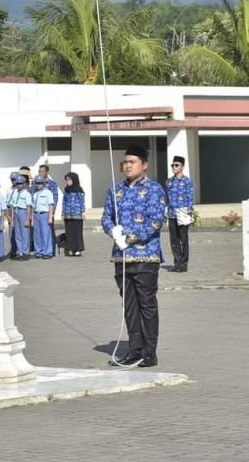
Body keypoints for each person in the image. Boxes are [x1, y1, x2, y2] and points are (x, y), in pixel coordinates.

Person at [101, 144, 166, 368]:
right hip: (121, 257)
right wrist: (113, 231)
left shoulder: (154, 190)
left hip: (145, 256)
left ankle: (150, 351)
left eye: (133, 162)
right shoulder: (115, 190)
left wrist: (130, 237)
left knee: (146, 305)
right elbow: (106, 218)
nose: (128, 165)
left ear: (144, 165)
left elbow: (156, 221)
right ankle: (134, 348)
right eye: (125, 162)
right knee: (129, 306)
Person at [166, 156, 194, 272]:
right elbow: (167, 198)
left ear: (182, 167)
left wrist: (189, 212)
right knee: (174, 240)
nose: (174, 167)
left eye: (176, 165)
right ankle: (177, 263)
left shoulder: (187, 181)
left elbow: (190, 197)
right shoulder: (169, 182)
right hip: (172, 214)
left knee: (184, 239)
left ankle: (184, 264)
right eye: (172, 165)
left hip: (182, 213)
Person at [8, 175, 32, 260]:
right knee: (17, 234)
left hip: (23, 211)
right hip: (16, 211)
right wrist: (12, 219)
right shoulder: (15, 193)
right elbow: (13, 206)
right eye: (17, 183)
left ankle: (25, 252)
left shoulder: (27, 194)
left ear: (24, 184)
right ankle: (19, 251)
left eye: (20, 183)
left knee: (24, 233)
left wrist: (27, 219)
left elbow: (29, 207)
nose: (18, 185)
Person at [62, 172, 86, 256]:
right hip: (68, 215)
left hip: (77, 214)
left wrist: (82, 212)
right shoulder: (66, 190)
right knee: (69, 232)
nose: (67, 181)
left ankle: (78, 249)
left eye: (69, 179)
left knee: (77, 232)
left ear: (74, 180)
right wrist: (63, 213)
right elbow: (64, 202)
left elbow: (82, 201)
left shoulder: (79, 190)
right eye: (66, 180)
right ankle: (71, 248)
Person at [31, 176, 55, 259]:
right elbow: (33, 207)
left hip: (45, 214)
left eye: (40, 183)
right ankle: (39, 251)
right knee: (37, 235)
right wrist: (32, 219)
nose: (38, 185)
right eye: (37, 183)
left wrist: (50, 217)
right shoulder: (35, 194)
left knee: (46, 234)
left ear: (44, 183)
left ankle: (47, 252)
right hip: (36, 214)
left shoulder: (48, 192)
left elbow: (50, 205)